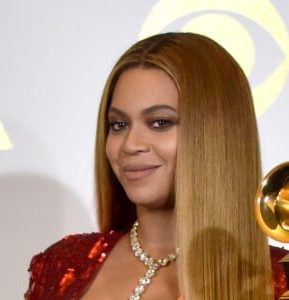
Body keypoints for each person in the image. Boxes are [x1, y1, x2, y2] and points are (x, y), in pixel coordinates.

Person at [25, 32, 288, 300]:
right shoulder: (61, 266)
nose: (130, 144)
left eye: (160, 122)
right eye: (119, 124)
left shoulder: (278, 280)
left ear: (217, 134)